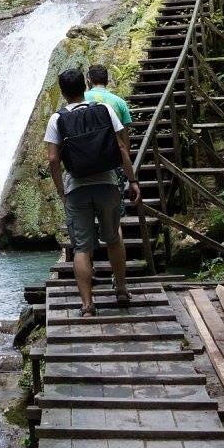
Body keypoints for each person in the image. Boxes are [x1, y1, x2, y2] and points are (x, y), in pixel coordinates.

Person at [44, 67, 141, 316]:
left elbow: (53, 160)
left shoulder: (57, 119)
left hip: (76, 188)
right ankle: (120, 290)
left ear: (64, 92)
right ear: (84, 88)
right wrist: (132, 181)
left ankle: (87, 305)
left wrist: (60, 191)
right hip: (107, 183)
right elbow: (121, 148)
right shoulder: (104, 109)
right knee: (114, 238)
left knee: (82, 249)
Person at [85, 63, 136, 292]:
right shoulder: (118, 102)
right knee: (115, 226)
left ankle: (89, 274)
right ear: (108, 80)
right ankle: (120, 283)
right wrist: (130, 174)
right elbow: (124, 141)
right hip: (112, 168)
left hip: (83, 170)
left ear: (88, 80)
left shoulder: (79, 99)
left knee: (85, 225)